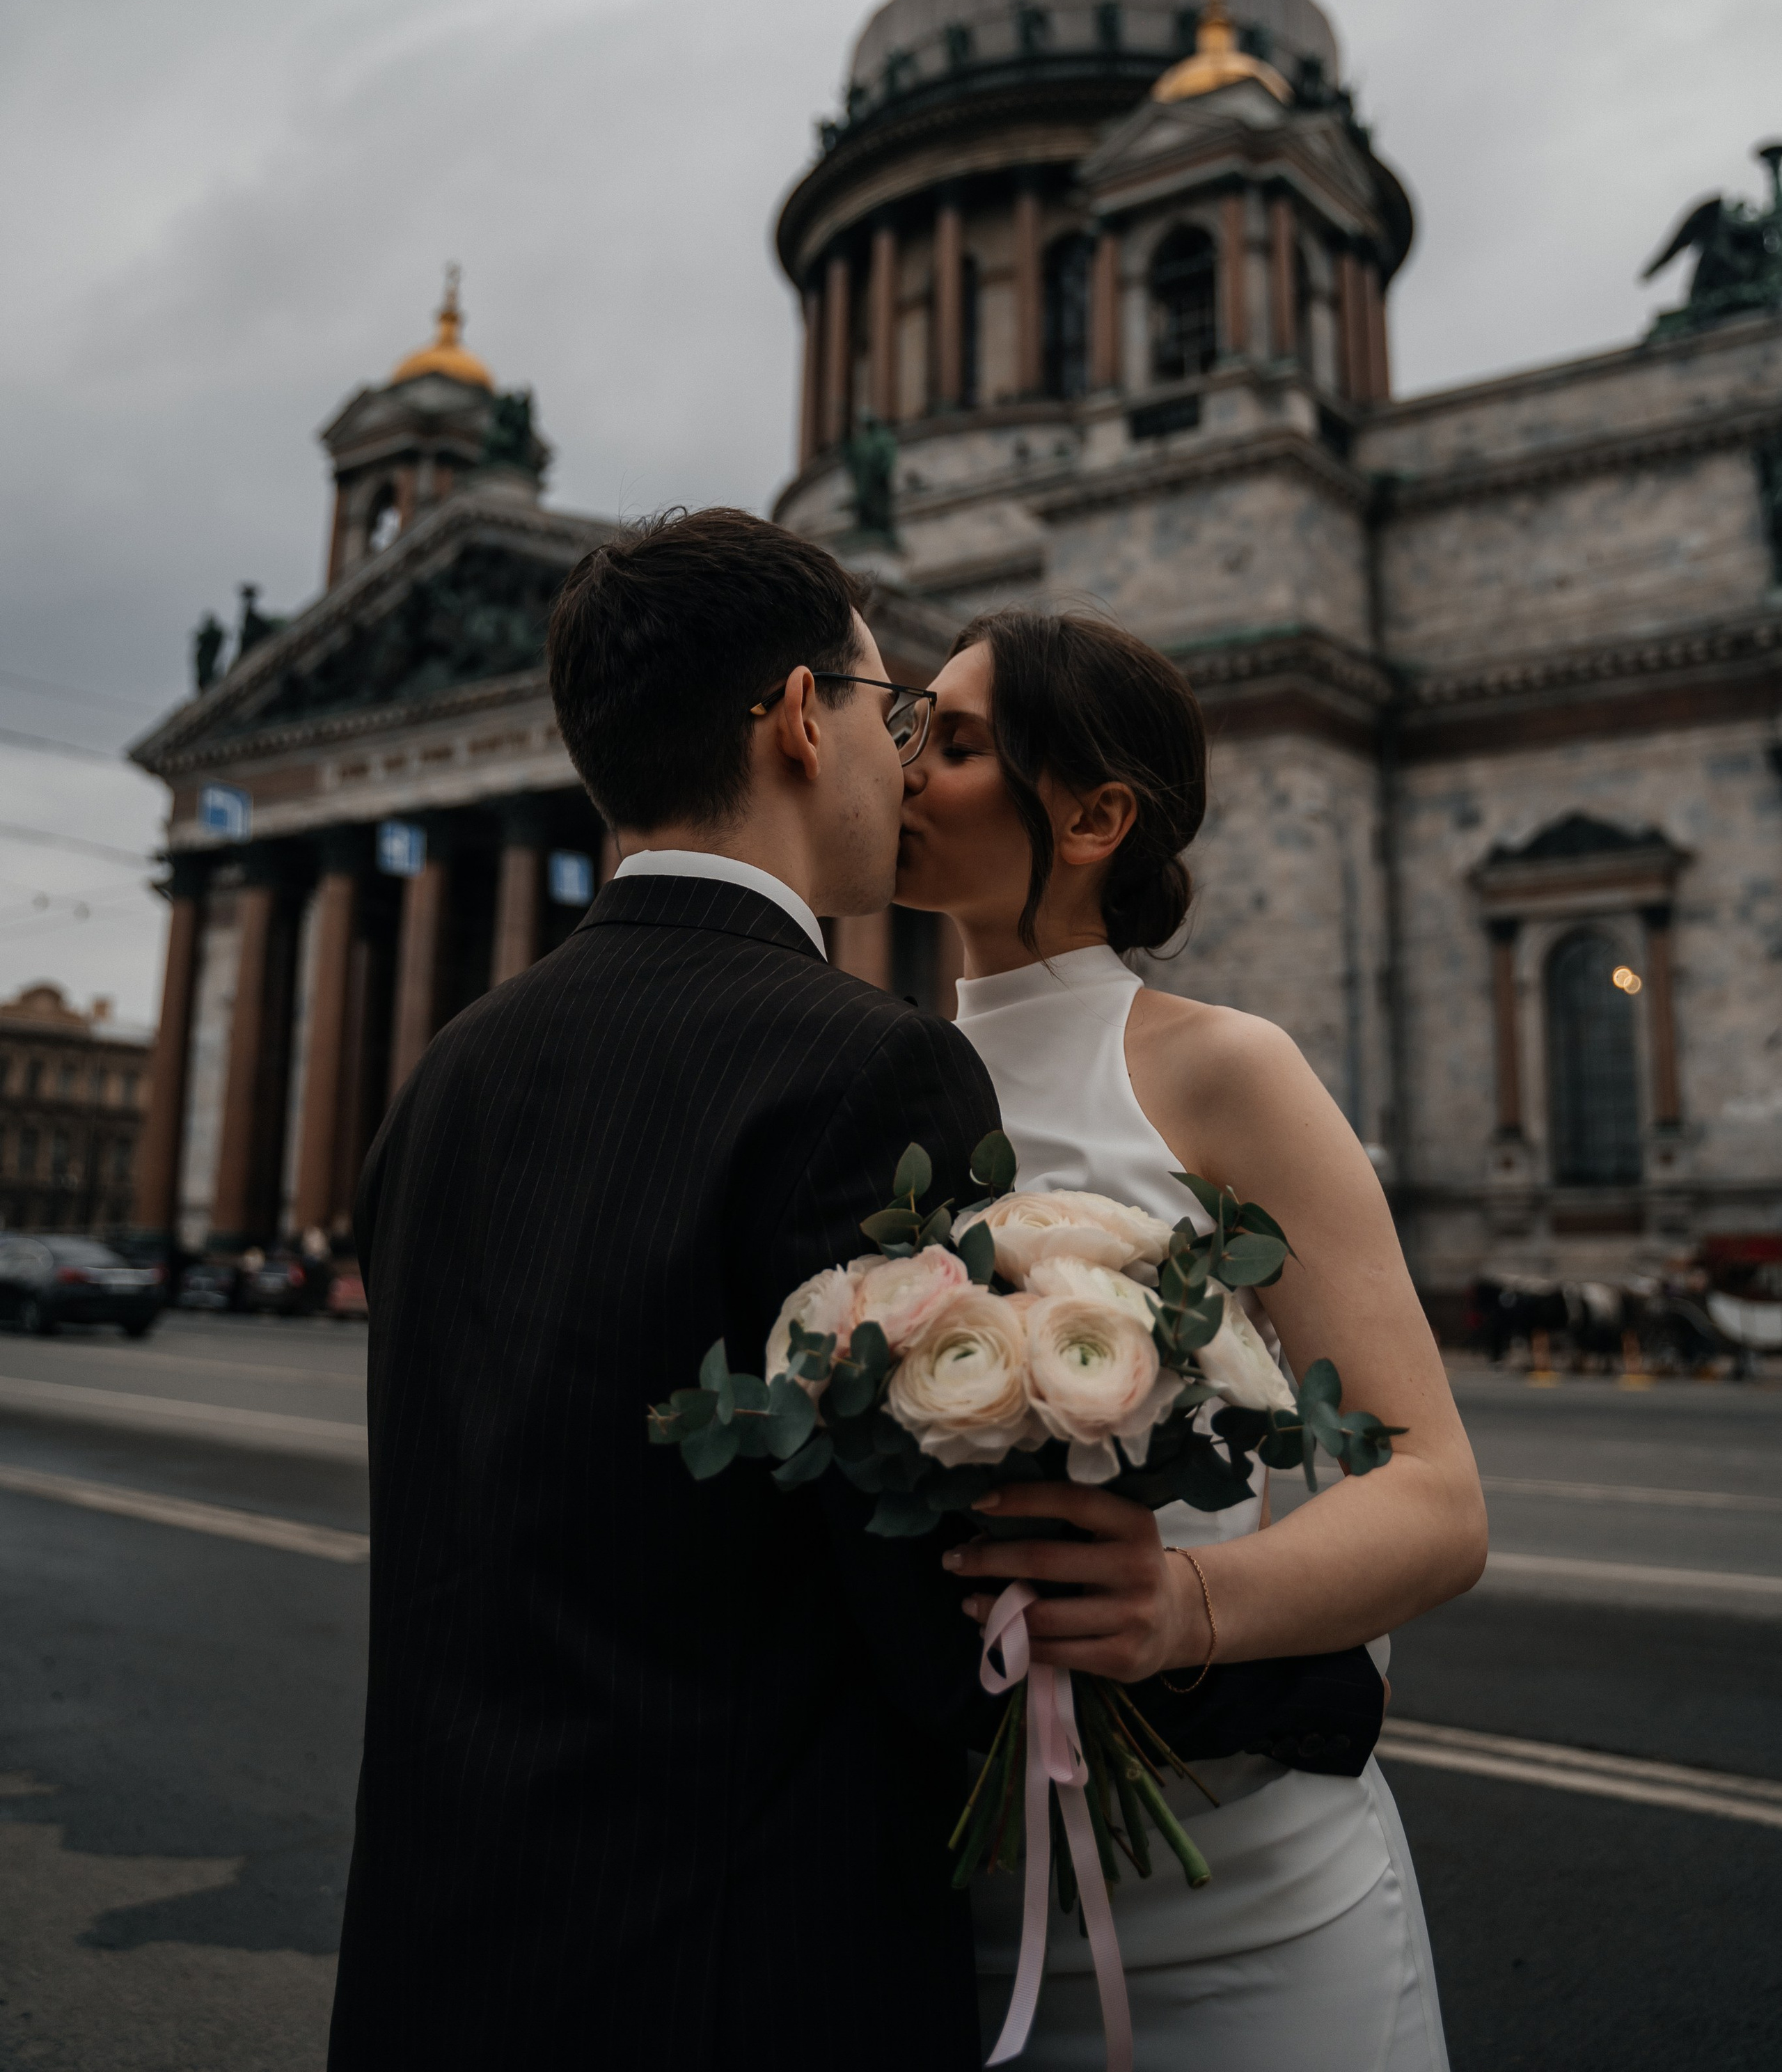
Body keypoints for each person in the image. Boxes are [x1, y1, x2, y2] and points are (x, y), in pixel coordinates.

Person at [327, 509, 1001, 2072]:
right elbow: (937, 1600)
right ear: (791, 718)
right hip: (736, 1970)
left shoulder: (451, 1072)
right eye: (881, 709)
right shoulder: (870, 1061)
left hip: (448, 1951)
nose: (896, 759)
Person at [894, 607, 1488, 2072]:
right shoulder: (870, 1075)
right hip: (945, 1890)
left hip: (1247, 1898)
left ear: (1094, 816)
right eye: (905, 727)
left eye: (954, 741)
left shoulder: (1220, 1067)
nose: (902, 764)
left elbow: (1432, 1497)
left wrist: (1184, 1613)